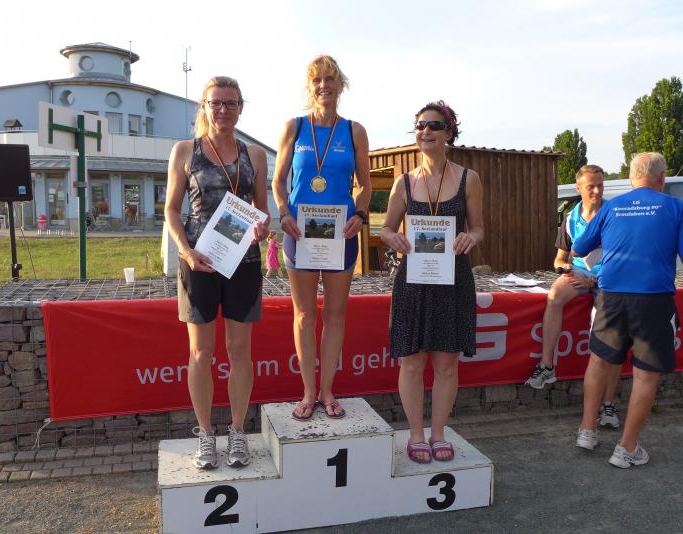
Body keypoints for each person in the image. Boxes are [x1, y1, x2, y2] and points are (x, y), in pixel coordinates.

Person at [164, 76, 269, 469]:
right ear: (204, 107)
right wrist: (186, 251)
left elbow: (262, 210)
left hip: (243, 262)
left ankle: (238, 431)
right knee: (200, 352)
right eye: (216, 103)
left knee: (240, 351)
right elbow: (171, 209)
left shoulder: (255, 155)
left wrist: (262, 228)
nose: (223, 109)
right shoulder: (184, 151)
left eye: (230, 103)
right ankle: (206, 434)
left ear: (241, 108)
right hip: (199, 261)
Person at [380, 101, 484, 463]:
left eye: (434, 125)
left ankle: (438, 433)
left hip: (454, 279)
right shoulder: (404, 182)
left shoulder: (469, 178)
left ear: (449, 132)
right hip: (414, 280)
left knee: (446, 365)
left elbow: (479, 227)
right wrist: (392, 238)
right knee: (411, 362)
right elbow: (385, 228)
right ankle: (415, 435)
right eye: (420, 125)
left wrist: (471, 237)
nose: (425, 131)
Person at [271, 55, 371, 421]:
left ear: (340, 85)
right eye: (317, 80)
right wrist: (284, 212)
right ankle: (308, 392)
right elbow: (278, 180)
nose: (323, 85)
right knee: (304, 314)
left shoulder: (354, 131)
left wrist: (361, 215)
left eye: (330, 79)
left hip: (340, 233)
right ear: (309, 86)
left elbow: (365, 185)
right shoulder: (294, 127)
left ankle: (328, 390)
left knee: (335, 314)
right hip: (300, 231)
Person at [572, 152, 683, 468]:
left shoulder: (611, 207)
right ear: (661, 178)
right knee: (646, 375)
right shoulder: (675, 206)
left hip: (610, 297)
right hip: (653, 299)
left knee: (599, 361)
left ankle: (587, 431)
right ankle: (626, 448)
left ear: (632, 178)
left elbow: (578, 248)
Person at [525, 165, 621, 429]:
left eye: (600, 185)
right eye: (591, 186)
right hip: (579, 275)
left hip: (609, 278)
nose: (597, 191)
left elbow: (623, 259)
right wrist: (566, 269)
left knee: (611, 337)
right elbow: (559, 259)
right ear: (579, 188)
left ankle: (609, 404)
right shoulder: (570, 218)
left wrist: (594, 281)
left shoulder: (615, 214)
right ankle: (547, 366)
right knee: (554, 295)